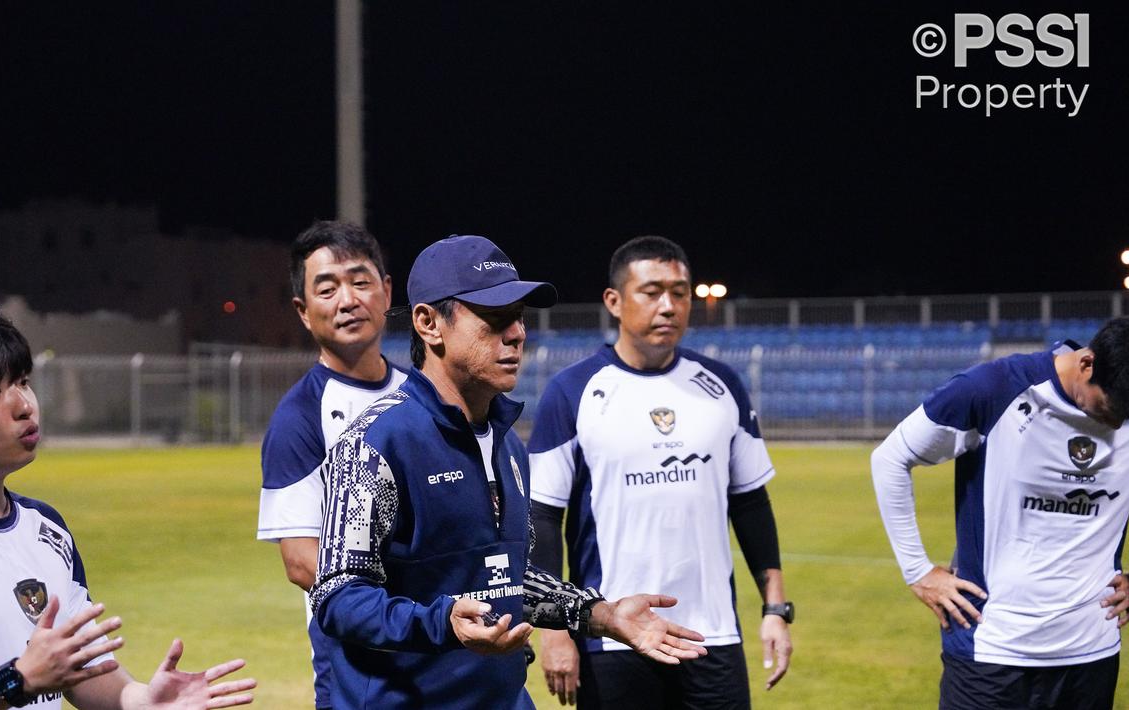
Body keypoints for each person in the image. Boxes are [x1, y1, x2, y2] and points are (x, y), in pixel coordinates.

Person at [309, 235, 709, 709]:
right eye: (494, 319)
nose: (517, 333)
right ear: (428, 323)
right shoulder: (375, 444)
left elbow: (506, 579)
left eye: (518, 317)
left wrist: (600, 614)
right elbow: (338, 595)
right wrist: (442, 622)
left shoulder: (508, 443)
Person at [0, 304, 256, 710]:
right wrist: (15, 680)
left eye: (22, 382)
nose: (24, 405)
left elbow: (85, 675)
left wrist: (143, 701)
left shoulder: (46, 526)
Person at [528, 235, 794, 709]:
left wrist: (775, 609)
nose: (668, 306)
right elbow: (543, 518)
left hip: (712, 632)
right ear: (614, 301)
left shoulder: (723, 386)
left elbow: (751, 503)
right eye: (651, 292)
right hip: (612, 634)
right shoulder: (572, 392)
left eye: (680, 292)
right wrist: (555, 631)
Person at [871, 318, 1129, 709]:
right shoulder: (995, 389)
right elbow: (890, 458)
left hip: (1090, 654)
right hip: (991, 653)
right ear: (1087, 364)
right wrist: (917, 572)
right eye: (1110, 408)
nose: (1118, 421)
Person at [256, 221, 408, 709]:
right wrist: (421, 605)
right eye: (327, 288)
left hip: (446, 656)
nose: (348, 300)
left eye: (360, 282)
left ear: (386, 292)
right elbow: (302, 561)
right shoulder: (299, 417)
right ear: (303, 312)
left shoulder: (423, 395)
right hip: (359, 671)